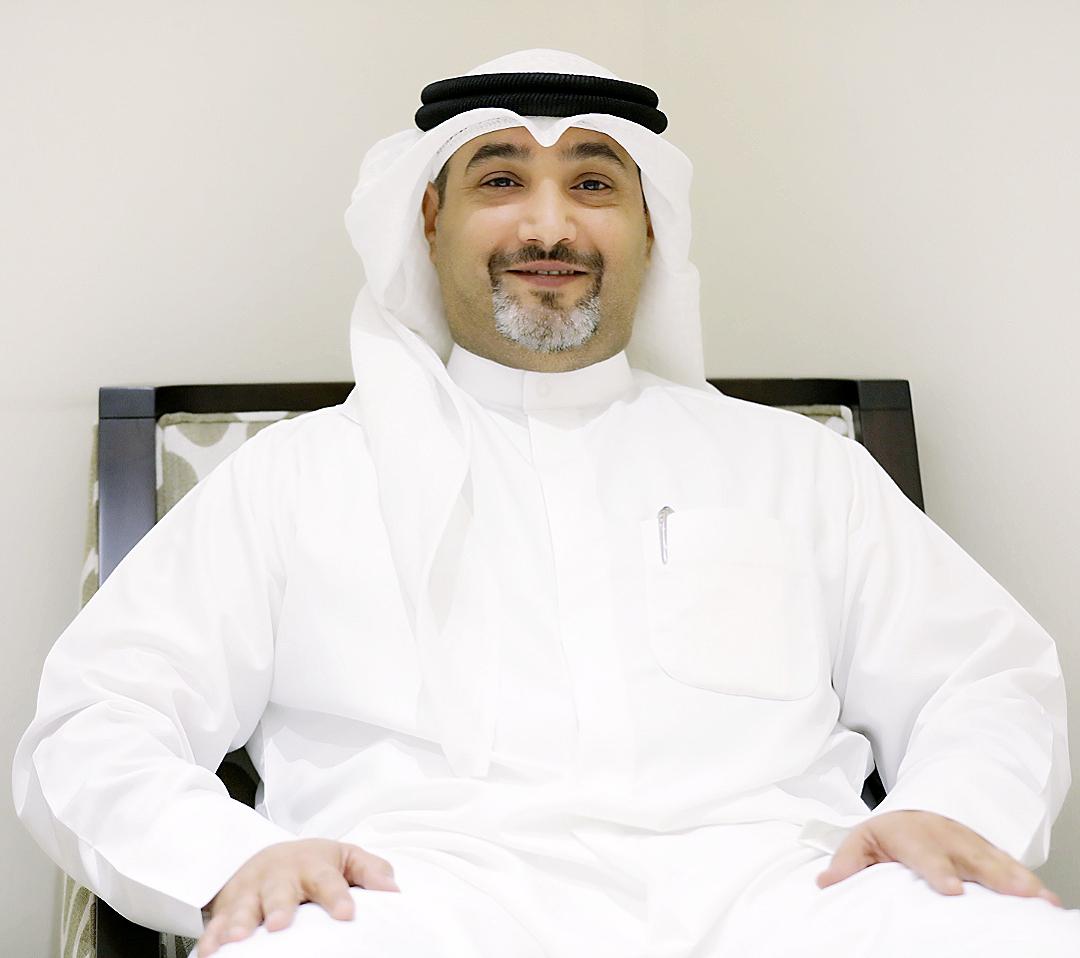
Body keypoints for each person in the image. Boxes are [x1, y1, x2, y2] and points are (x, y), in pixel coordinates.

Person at [12, 48, 1078, 957]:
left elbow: (983, 678)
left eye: (595, 184)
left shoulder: (798, 469)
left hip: (785, 900)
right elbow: (100, 719)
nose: (550, 226)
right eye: (501, 179)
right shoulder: (294, 479)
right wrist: (231, 858)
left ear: (651, 227)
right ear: (428, 220)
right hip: (411, 905)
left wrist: (945, 810)